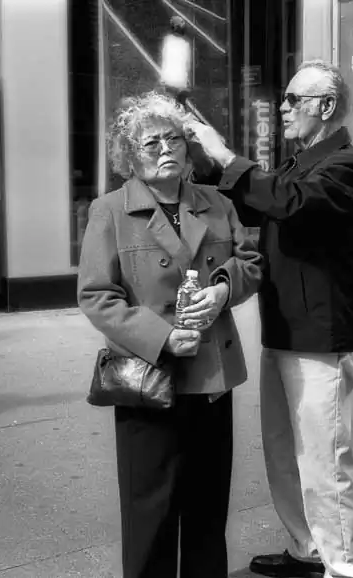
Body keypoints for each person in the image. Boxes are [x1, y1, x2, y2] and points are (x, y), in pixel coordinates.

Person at [189, 60, 353, 578]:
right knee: (285, 450)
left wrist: (227, 156)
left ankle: (345, 568)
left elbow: (288, 203)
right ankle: (307, 550)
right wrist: (204, 161)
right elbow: (256, 203)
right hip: (285, 329)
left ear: (326, 106)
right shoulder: (298, 164)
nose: (284, 108)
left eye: (294, 99)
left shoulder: (346, 166)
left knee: (324, 459)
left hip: (319, 336)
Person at [77, 91, 263, 578]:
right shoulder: (110, 211)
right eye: (151, 142)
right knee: (150, 512)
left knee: (207, 511)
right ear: (129, 156)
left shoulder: (217, 203)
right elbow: (97, 295)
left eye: (174, 139)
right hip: (148, 378)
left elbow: (249, 263)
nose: (166, 149)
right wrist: (160, 337)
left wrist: (223, 289)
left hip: (211, 379)